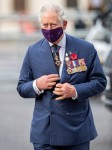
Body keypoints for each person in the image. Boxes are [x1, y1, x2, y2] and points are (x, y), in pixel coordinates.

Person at [17, 4, 107, 150]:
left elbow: (100, 82)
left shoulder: (86, 48)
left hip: (77, 131)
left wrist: (75, 91)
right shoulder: (32, 51)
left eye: (53, 24)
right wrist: (36, 85)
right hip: (45, 133)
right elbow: (21, 87)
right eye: (45, 25)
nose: (49, 29)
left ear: (64, 24)